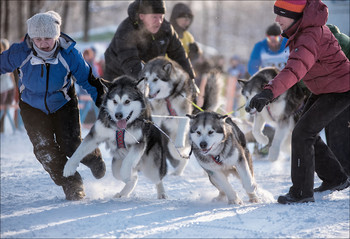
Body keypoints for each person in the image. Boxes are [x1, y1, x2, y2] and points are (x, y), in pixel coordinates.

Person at [248, 0, 350, 204]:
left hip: (341, 89)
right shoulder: (304, 31)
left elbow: (294, 69)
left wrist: (268, 93)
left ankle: (302, 192)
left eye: (281, 14)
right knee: (306, 131)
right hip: (325, 89)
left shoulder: (309, 35)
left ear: (295, 15)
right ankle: (335, 178)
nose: (277, 20)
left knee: (302, 133)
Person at [0, 11, 107, 201]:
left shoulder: (69, 54)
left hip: (63, 103)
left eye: (48, 38)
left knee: (71, 145)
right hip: (31, 106)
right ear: (31, 38)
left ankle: (93, 158)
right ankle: (72, 183)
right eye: (37, 39)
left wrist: (103, 102)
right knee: (44, 150)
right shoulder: (20, 52)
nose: (43, 43)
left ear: (57, 36)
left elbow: (88, 79)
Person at [103, 0, 195, 84]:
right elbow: (130, 62)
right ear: (141, 16)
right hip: (118, 76)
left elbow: (179, 55)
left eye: (161, 17)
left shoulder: (166, 29)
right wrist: (145, 82)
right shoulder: (126, 30)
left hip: (149, 75)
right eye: (154, 17)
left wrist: (190, 79)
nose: (159, 21)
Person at [323, 24, 350, 178]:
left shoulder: (332, 43)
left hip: (341, 91)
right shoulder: (342, 39)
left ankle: (343, 170)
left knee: (336, 129)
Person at [0, 38, 16, 133]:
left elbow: (11, 75)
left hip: (8, 87)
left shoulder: (8, 58)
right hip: (2, 88)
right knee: (2, 109)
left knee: (5, 109)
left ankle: (2, 128)